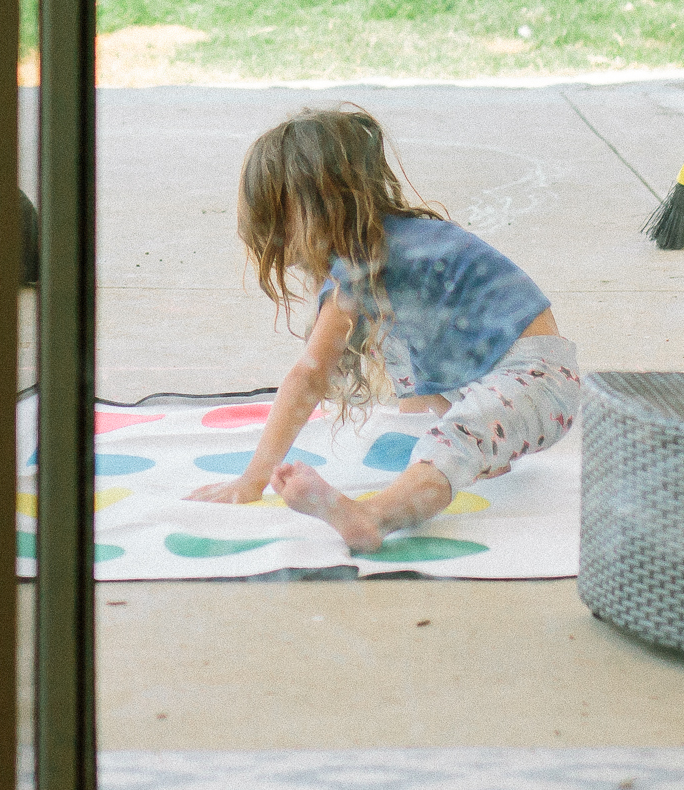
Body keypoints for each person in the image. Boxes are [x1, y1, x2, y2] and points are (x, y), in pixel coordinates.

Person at [186, 105, 579, 551]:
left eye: (277, 217)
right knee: (392, 342)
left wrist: (251, 481)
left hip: (539, 382)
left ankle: (373, 515)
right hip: (514, 380)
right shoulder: (398, 243)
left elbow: (310, 376)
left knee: (452, 440)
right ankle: (481, 445)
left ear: (312, 205)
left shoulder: (363, 265)